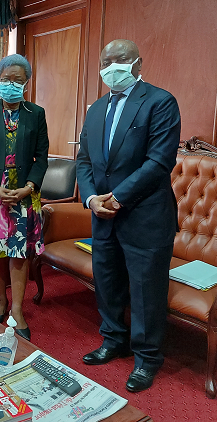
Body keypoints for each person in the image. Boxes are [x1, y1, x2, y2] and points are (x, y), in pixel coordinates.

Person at [76, 39, 181, 392]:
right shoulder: (95, 109)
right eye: (106, 60)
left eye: (120, 59)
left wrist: (118, 198)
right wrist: (91, 199)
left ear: (137, 63)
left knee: (145, 288)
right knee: (106, 280)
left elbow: (159, 161)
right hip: (102, 214)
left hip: (145, 215)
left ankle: (147, 358)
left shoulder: (160, 101)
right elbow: (85, 161)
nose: (112, 66)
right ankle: (113, 340)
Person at [0, 54, 49, 342]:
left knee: (19, 252)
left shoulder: (36, 114)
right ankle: (0, 301)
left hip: (23, 194)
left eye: (17, 79)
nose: (11, 84)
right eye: (6, 79)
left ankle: (17, 309)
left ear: (26, 82)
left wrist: (28, 187)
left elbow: (42, 158)